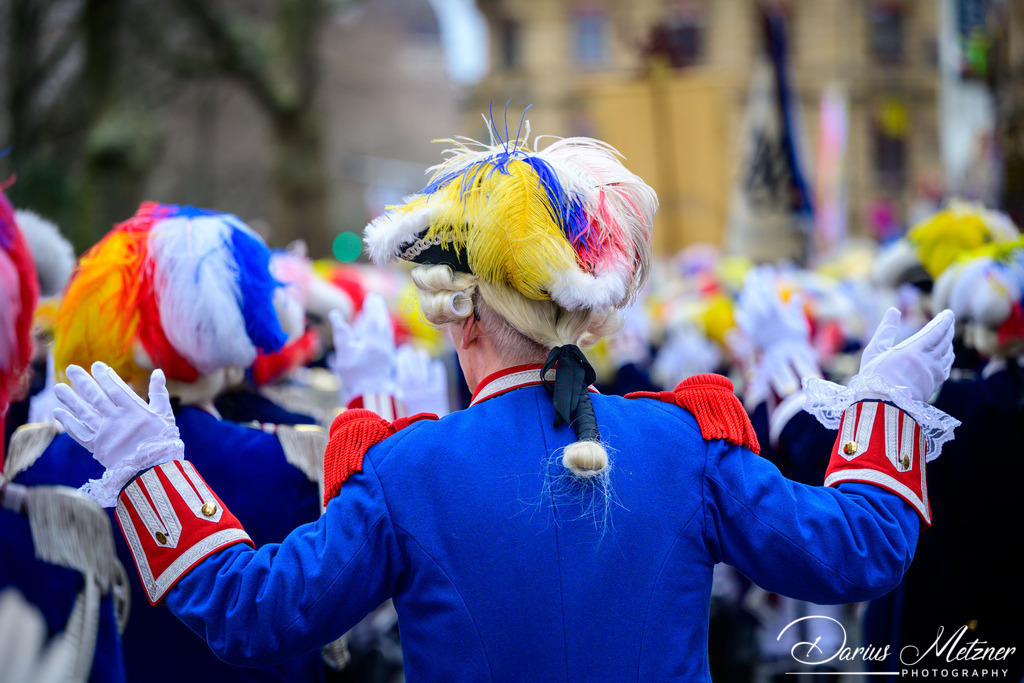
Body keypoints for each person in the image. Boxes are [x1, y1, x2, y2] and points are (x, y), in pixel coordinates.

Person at [52, 124, 957, 680]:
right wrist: (886, 406)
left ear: (460, 314)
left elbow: (258, 610)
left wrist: (150, 471)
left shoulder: (408, 469)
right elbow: (859, 550)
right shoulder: (684, 441)